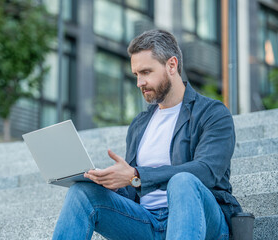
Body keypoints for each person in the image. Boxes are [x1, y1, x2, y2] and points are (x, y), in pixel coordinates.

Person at [52, 29, 242, 240]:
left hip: (204, 221)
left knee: (182, 182)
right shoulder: (140, 124)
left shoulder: (212, 113)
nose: (139, 83)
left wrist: (137, 175)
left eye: (146, 72)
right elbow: (134, 187)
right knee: (81, 194)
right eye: (136, 75)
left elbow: (207, 171)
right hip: (147, 221)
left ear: (172, 65)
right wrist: (110, 181)